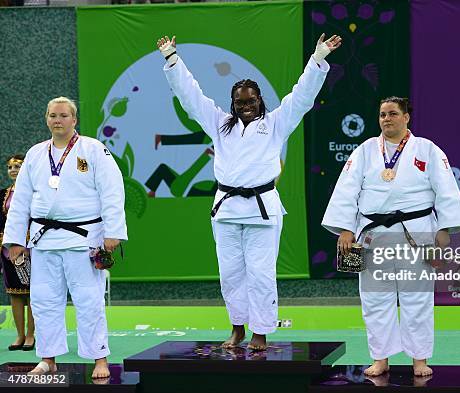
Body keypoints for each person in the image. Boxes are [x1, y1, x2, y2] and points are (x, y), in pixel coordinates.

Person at [156, 33, 341, 350]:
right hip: (226, 208)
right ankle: (237, 328)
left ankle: (260, 332)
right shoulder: (218, 123)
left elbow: (302, 97)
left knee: (261, 274)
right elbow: (191, 97)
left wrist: (317, 59)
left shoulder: (277, 123)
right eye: (240, 102)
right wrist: (173, 59)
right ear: (232, 103)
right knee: (230, 274)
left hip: (262, 208)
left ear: (260, 100)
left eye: (251, 101)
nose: (246, 106)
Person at [322, 97, 460, 376]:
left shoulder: (427, 149)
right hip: (373, 235)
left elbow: (447, 190)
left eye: (392, 114)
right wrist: (345, 228)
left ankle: (420, 360)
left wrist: (445, 230)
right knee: (376, 300)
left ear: (406, 117)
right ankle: (380, 359)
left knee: (418, 299)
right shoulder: (365, 150)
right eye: (382, 115)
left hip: (417, 233)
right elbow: (346, 190)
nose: (386, 119)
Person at [3, 96, 127, 378]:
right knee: (44, 301)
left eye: (62, 115)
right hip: (44, 240)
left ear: (74, 120)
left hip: (83, 239)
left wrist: (113, 231)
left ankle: (99, 359)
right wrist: (14, 241)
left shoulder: (93, 150)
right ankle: (48, 358)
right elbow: (21, 200)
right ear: (46, 119)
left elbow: (112, 190)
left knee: (89, 301)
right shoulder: (35, 154)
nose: (57, 120)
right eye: (52, 115)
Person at [0, 154, 35, 351]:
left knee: (32, 293)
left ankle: (31, 335)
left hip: (30, 249)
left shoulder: (34, 192)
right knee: (14, 293)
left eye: (18, 166)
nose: (13, 170)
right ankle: (19, 335)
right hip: (7, 251)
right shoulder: (2, 195)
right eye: (9, 167)